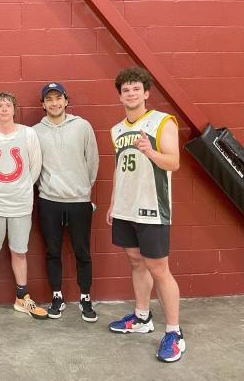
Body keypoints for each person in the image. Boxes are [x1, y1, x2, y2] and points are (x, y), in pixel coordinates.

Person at [106, 66, 184, 363]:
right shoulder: (117, 129)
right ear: (120, 96)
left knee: (158, 268)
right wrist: (114, 202)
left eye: (136, 88)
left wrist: (150, 151)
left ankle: (174, 332)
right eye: (125, 90)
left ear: (147, 92)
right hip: (126, 208)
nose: (131, 93)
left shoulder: (162, 122)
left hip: (152, 207)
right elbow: (119, 170)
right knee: (136, 261)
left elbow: (173, 163)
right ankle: (142, 317)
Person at [0, 91, 47, 324]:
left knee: (19, 251)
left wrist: (22, 188)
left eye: (8, 105)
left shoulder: (29, 134)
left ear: (14, 110)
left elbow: (35, 167)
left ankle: (22, 297)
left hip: (21, 204)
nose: (4, 108)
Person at [33, 82, 99, 322]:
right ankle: (57, 296)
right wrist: (46, 187)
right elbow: (34, 166)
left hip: (79, 200)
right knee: (52, 251)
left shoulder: (82, 127)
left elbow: (92, 161)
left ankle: (85, 297)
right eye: (49, 99)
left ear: (66, 101)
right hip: (49, 201)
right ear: (43, 105)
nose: (54, 103)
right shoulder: (36, 131)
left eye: (58, 98)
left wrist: (82, 188)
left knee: (82, 251)